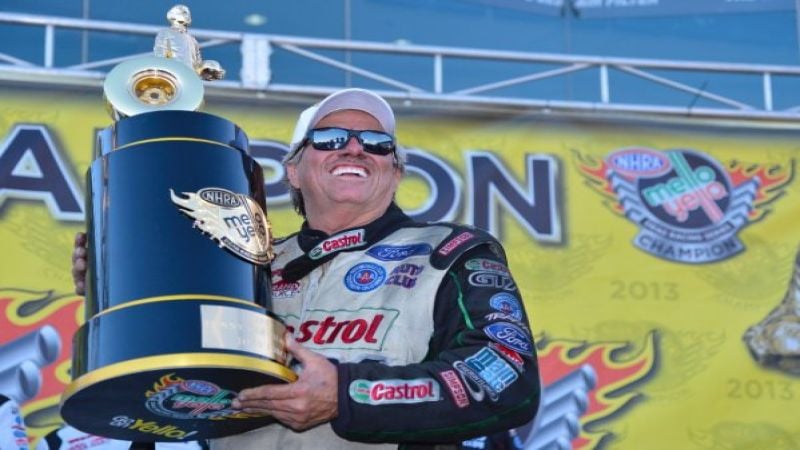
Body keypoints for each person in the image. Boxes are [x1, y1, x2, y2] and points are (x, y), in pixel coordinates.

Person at [72, 88, 540, 449]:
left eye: (377, 144)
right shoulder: (239, 261)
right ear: (293, 170)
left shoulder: (450, 251)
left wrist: (347, 394)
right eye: (331, 139)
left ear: (395, 173)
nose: (355, 148)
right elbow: (174, 372)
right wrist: (122, 283)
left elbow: (505, 375)